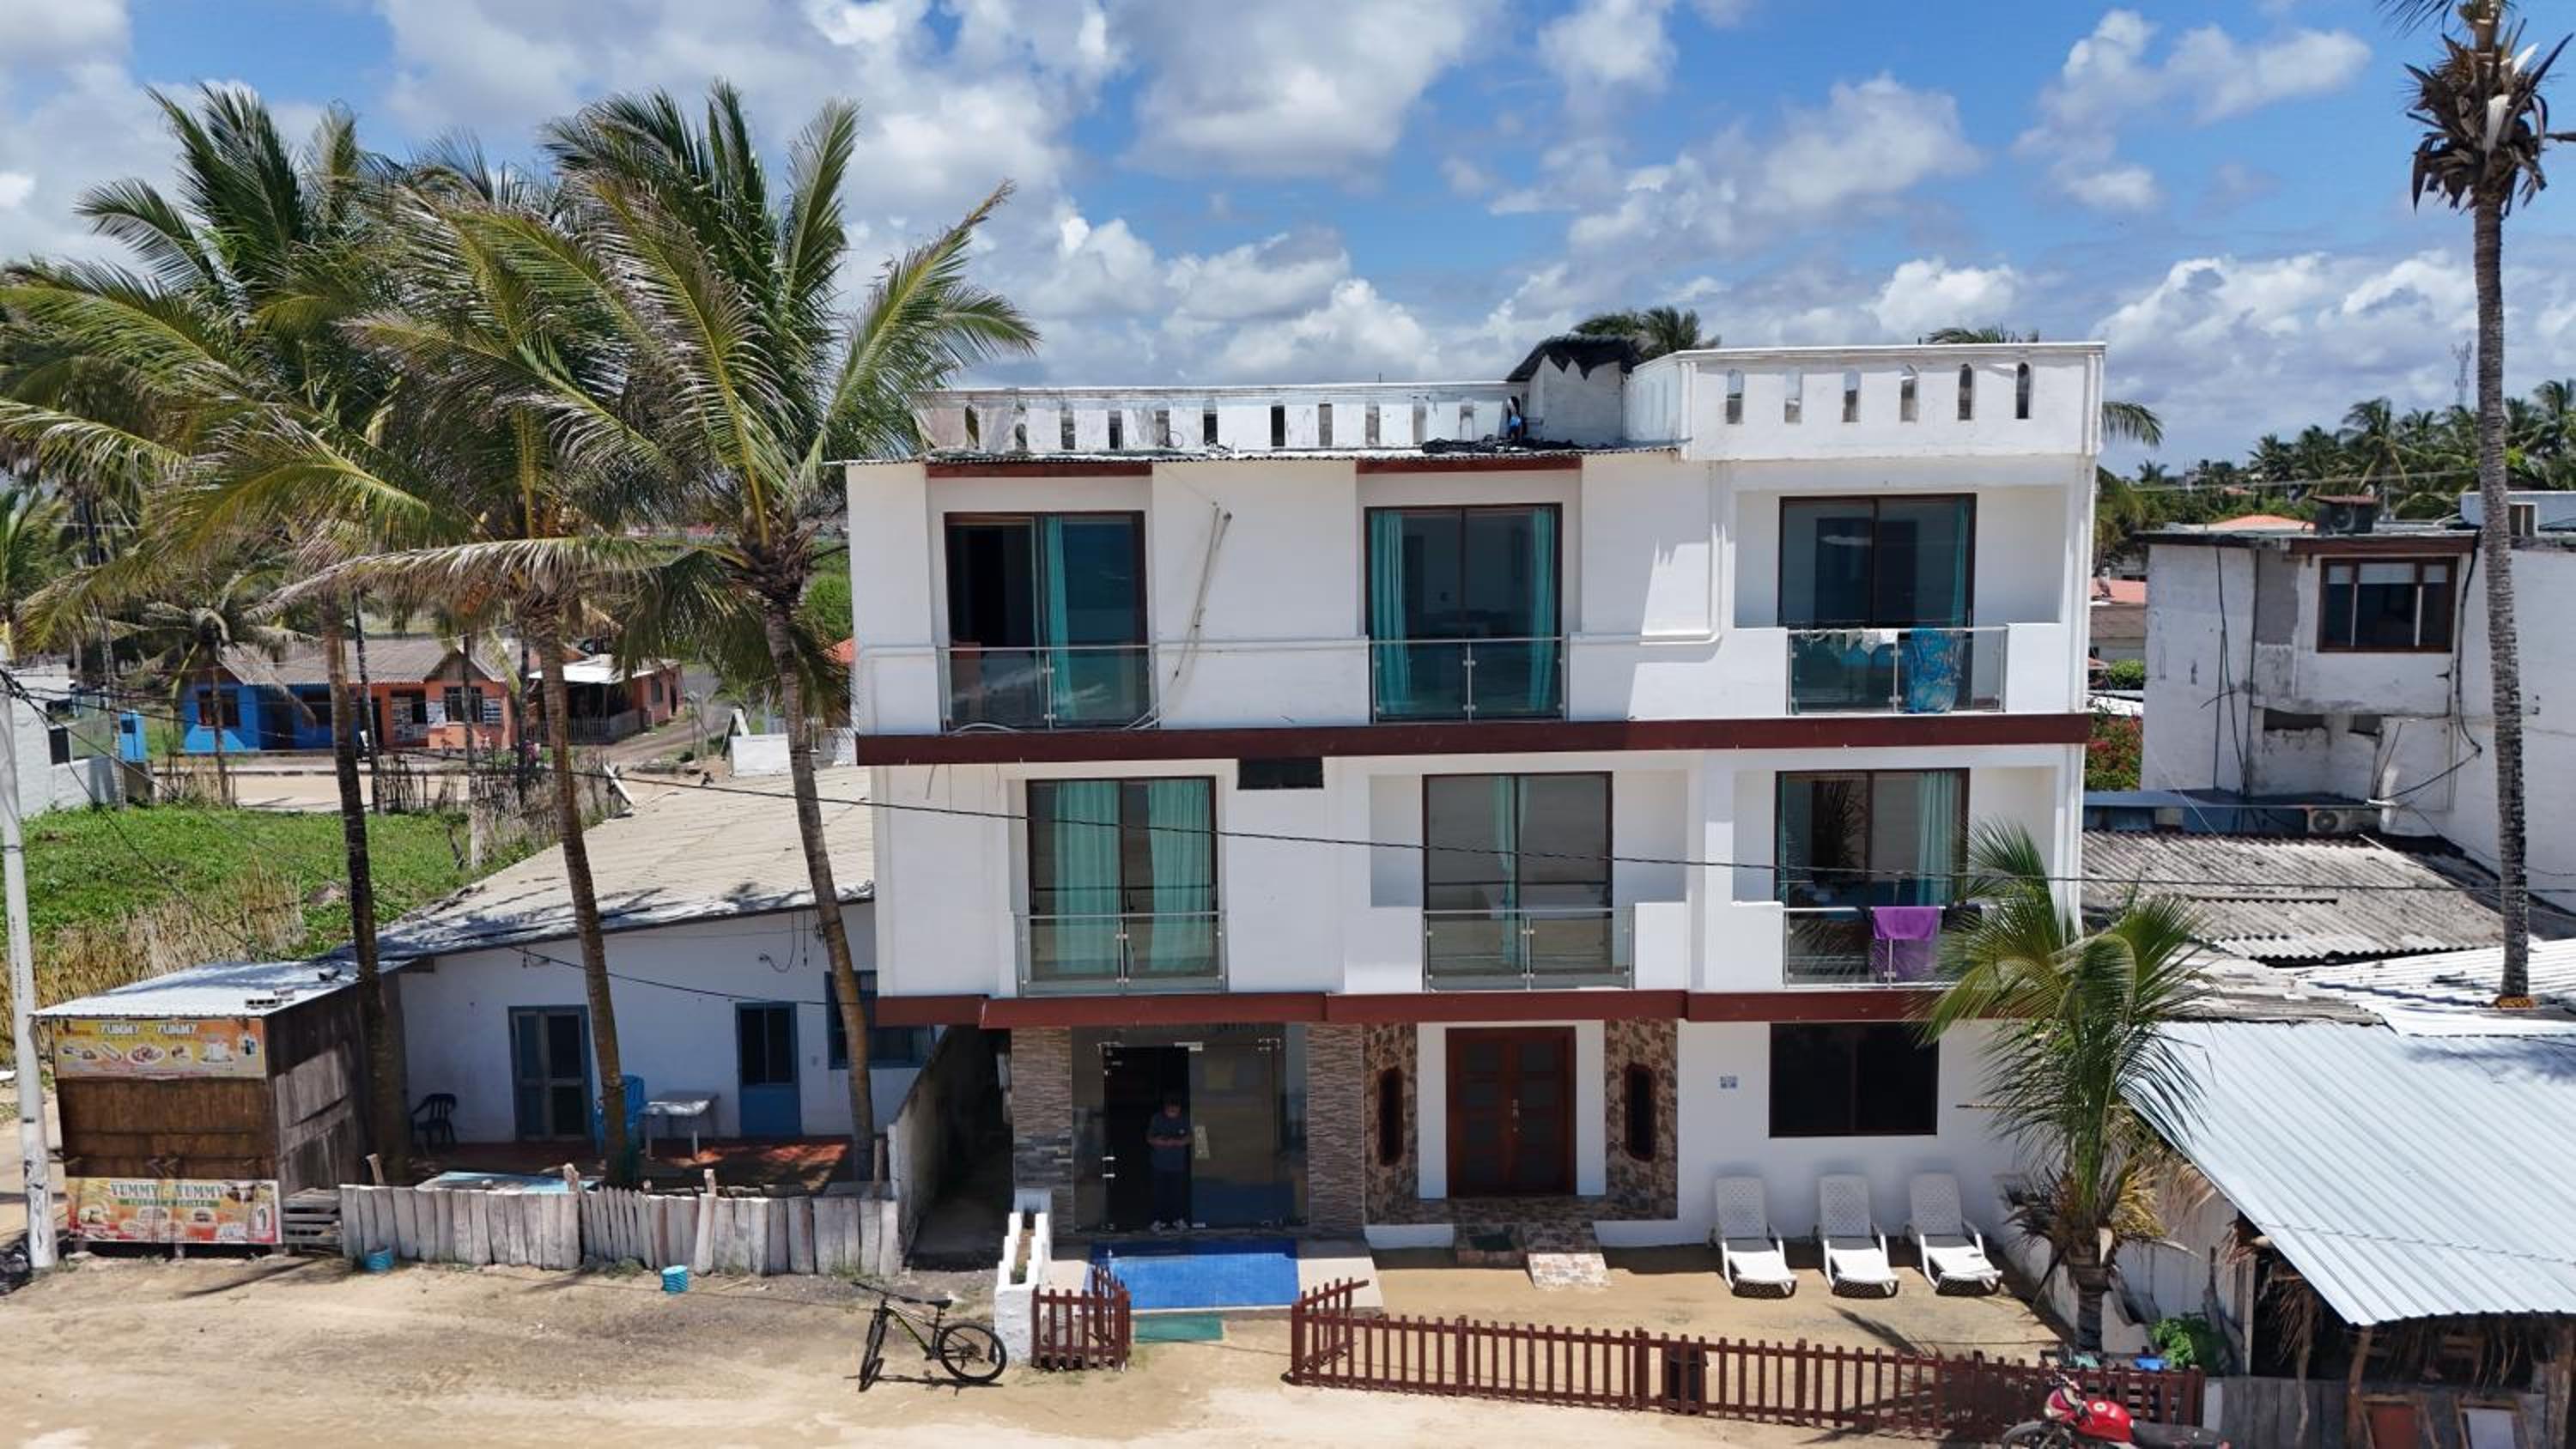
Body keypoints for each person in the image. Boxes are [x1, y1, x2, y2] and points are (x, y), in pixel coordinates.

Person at [1145, 1094, 1193, 1232]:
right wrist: (1163, 1142)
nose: (1173, 1113)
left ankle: (1178, 1219)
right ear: (1166, 1108)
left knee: (1177, 1194)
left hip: (1178, 1164)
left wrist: (1178, 1142)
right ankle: (1158, 1220)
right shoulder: (1157, 1119)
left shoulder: (1184, 1119)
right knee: (1159, 1193)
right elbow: (1149, 1138)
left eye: (1176, 1110)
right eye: (1170, 1110)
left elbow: (1190, 1137)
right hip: (1159, 1164)